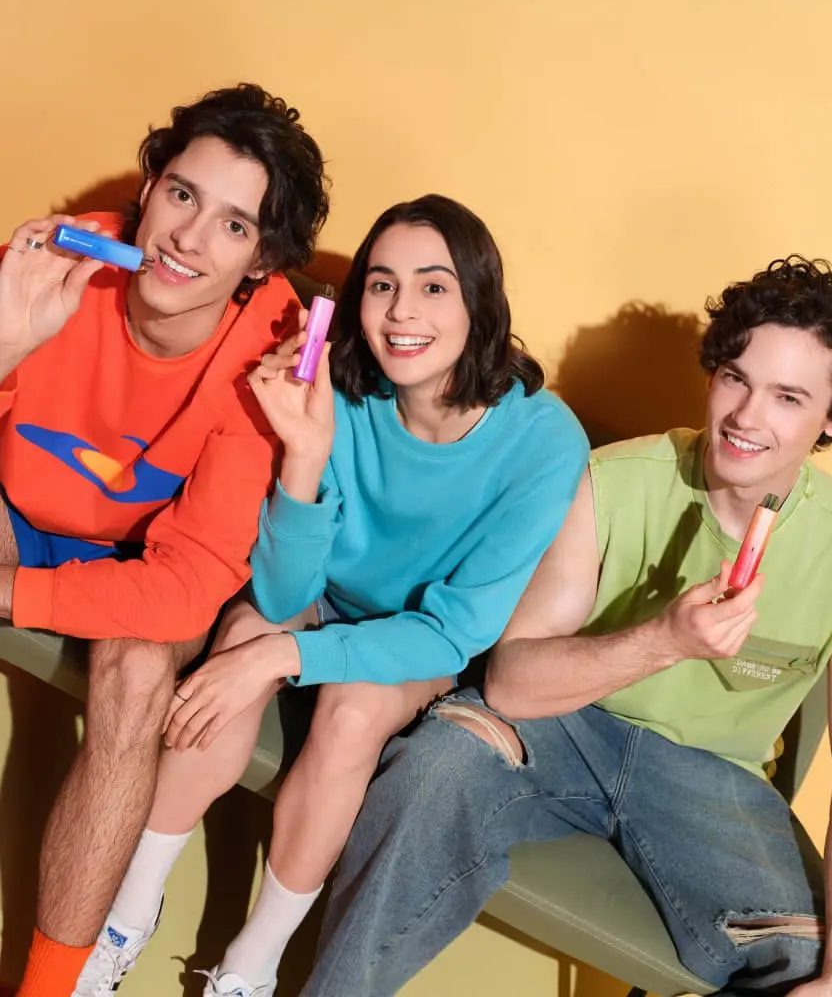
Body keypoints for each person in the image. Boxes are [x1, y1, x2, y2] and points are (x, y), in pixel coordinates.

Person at [297, 256, 832, 997]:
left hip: (715, 781)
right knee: (436, 766)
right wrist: (665, 640)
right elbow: (511, 683)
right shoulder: (615, 479)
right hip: (564, 727)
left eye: (788, 397)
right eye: (736, 378)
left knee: (810, 967)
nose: (748, 417)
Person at [75, 194, 590, 997]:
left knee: (349, 711)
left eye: (433, 286)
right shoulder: (339, 388)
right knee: (237, 647)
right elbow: (283, 588)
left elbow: (454, 632)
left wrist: (282, 656)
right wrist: (304, 457)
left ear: (479, 301)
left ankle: (249, 968)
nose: (401, 311)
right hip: (320, 600)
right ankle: (123, 920)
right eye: (382, 285)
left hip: (419, 641)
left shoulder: (545, 440)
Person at [0, 83, 329, 997]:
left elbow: (187, 585)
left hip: (139, 560)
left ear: (262, 259)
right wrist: (3, 348)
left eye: (233, 225)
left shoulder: (269, 352)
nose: (187, 238)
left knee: (140, 669)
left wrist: (13, 594)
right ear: (149, 190)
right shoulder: (56, 265)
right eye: (182, 194)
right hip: (15, 510)